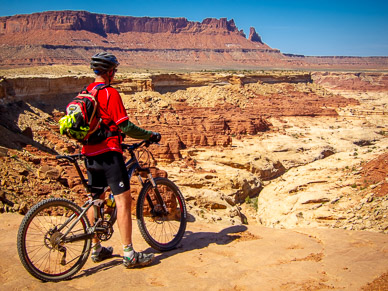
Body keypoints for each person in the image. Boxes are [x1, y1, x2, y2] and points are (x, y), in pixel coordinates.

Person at [84, 52, 161, 268]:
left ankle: (96, 249)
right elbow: (125, 125)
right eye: (114, 70)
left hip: (88, 153)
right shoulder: (110, 93)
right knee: (122, 200)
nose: (115, 74)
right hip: (109, 154)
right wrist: (149, 134)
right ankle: (129, 254)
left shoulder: (86, 91)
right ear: (109, 72)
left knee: (96, 199)